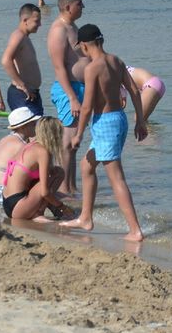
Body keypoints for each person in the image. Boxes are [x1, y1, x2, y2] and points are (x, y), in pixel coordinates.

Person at [59, 24, 148, 241]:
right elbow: (135, 90)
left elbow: (87, 106)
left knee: (116, 177)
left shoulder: (92, 68)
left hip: (106, 123)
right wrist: (141, 121)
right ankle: (86, 218)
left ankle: (135, 230)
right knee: (86, 166)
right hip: (117, 119)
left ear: (85, 46)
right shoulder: (116, 60)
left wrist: (79, 133)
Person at [0, 107, 74, 221]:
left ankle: (45, 210)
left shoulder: (30, 145)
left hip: (7, 203)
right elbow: (44, 192)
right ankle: (38, 213)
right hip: (18, 207)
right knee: (57, 174)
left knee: (56, 171)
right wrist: (62, 207)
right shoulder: (42, 151)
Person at [47, 0, 86, 193]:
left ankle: (71, 186)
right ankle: (63, 189)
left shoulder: (73, 26)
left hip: (79, 88)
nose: (83, 7)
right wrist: (72, 97)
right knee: (68, 140)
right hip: (67, 90)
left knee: (75, 142)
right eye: (80, 3)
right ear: (68, 6)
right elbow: (59, 66)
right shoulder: (58, 30)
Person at [2, 3, 44, 117]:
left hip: (31, 93)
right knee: (32, 132)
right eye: (36, 21)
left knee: (39, 131)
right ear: (25, 20)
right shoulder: (18, 36)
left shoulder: (24, 37)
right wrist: (22, 85)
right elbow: (6, 60)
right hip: (21, 94)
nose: (40, 24)